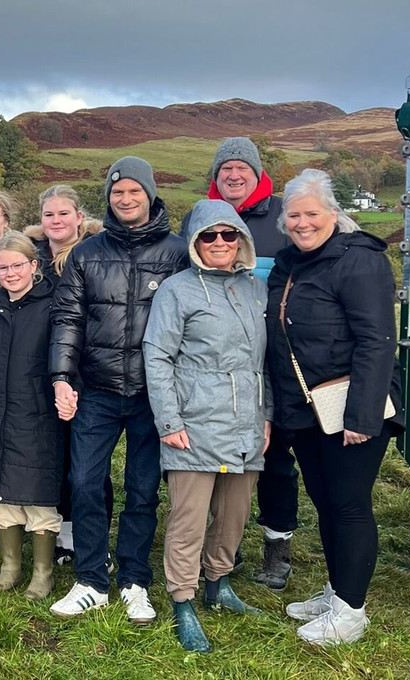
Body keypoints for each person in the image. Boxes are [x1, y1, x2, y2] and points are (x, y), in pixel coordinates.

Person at [265, 169, 403, 646]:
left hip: (350, 408)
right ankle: (338, 589)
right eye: (294, 215)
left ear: (333, 214)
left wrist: (361, 418)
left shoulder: (359, 260)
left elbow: (377, 342)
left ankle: (351, 611)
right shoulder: (290, 264)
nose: (303, 223)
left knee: (348, 505)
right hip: (307, 410)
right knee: (325, 503)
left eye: (312, 214)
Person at [49, 156, 189, 624]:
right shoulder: (87, 254)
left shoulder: (178, 252)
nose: (125, 199)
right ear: (107, 198)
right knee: (86, 482)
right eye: (116, 192)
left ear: (149, 194)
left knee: (143, 489)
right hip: (99, 390)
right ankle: (90, 579)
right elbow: (67, 319)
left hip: (154, 394)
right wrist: (62, 377)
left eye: (133, 191)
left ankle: (134, 580)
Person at [143, 200, 272, 652]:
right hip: (193, 422)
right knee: (188, 518)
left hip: (246, 423)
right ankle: (183, 597)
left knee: (234, 513)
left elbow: (265, 361)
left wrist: (267, 414)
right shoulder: (177, 290)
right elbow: (157, 355)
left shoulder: (256, 289)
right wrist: (168, 420)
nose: (220, 243)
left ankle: (218, 581)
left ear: (241, 239)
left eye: (228, 234)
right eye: (209, 236)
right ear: (195, 242)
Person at [182, 136, 296, 589]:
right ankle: (224, 546)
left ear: (256, 172)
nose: (233, 175)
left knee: (274, 455)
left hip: (275, 355)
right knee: (217, 454)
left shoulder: (283, 214)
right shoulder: (199, 216)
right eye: (225, 168)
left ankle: (277, 544)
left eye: (241, 168)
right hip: (217, 358)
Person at [0, 232, 63, 600]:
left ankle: (42, 573)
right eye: (3, 267)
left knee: (38, 495)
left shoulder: (52, 307)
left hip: (36, 416)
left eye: (17, 265)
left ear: (33, 266)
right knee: (2, 496)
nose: (10, 273)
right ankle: (10, 567)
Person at [25, 183, 105, 565]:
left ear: (78, 217)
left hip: (86, 371)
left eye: (63, 213)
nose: (55, 220)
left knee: (86, 462)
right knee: (53, 457)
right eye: (48, 214)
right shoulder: (31, 258)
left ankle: (92, 538)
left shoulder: (95, 254)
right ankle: (62, 535)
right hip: (40, 370)